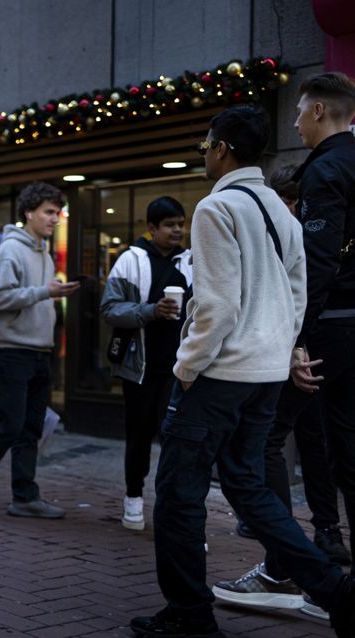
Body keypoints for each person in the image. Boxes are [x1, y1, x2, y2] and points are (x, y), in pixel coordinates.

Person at [130, 105, 355, 638]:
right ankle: (334, 590)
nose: (203, 154)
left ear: (223, 148)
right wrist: (285, 349)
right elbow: (299, 294)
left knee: (180, 494)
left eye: (206, 145)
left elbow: (216, 305)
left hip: (221, 373)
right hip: (267, 372)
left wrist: (187, 367)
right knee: (249, 486)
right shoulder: (280, 211)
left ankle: (189, 612)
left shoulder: (217, 207)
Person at [212, 73, 355, 611]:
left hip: (328, 325)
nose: (294, 121)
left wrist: (296, 337)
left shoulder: (327, 169)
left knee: (267, 437)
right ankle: (333, 576)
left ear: (319, 110)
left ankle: (281, 571)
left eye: (298, 112)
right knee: (346, 450)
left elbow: (319, 263)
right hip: (350, 327)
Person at [0, 182, 80, 520]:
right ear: (29, 212)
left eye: (58, 213)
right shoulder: (10, 250)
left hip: (40, 350)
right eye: (49, 212)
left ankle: (25, 496)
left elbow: (33, 294)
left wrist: (48, 294)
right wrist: (45, 292)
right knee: (9, 426)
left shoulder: (42, 249)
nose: (56, 219)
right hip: (11, 350)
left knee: (31, 428)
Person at [101, 197, 192, 531]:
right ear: (152, 228)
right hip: (138, 366)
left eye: (181, 224)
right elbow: (109, 308)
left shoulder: (191, 262)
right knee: (138, 435)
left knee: (175, 439)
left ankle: (172, 509)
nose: (178, 230)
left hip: (180, 367)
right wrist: (151, 311)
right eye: (170, 224)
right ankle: (133, 498)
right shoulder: (130, 260)